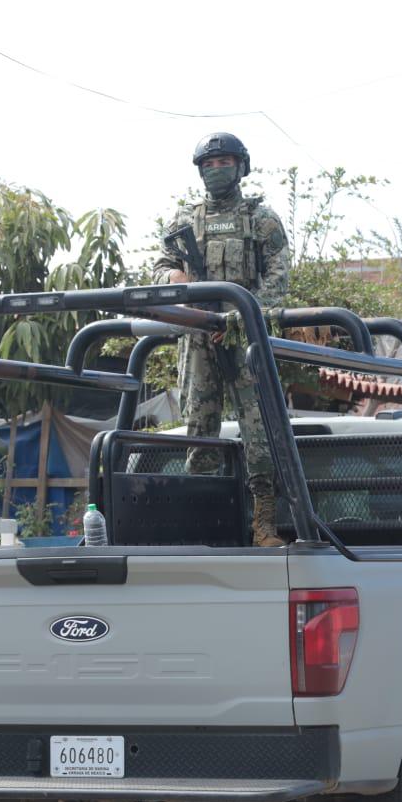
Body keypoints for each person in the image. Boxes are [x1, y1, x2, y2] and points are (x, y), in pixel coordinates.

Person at [153, 131, 291, 547]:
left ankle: (263, 524)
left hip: (246, 338)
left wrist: (238, 318)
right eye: (209, 165)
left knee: (260, 431)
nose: (216, 171)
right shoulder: (184, 221)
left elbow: (278, 278)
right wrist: (175, 277)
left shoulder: (261, 219)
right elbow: (159, 269)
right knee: (199, 430)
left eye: (224, 163)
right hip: (198, 338)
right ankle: (204, 522)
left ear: (241, 167)